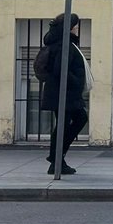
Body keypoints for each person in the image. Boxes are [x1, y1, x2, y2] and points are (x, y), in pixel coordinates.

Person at [40, 12, 91, 175]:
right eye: (75, 26)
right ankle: (56, 158)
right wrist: (77, 81)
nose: (77, 29)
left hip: (63, 93)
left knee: (64, 124)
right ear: (69, 28)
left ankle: (56, 160)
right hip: (65, 93)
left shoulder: (64, 43)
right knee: (76, 120)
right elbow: (60, 69)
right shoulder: (64, 45)